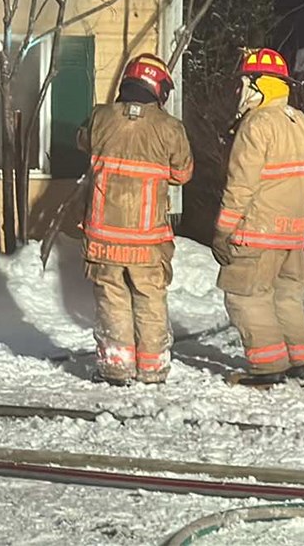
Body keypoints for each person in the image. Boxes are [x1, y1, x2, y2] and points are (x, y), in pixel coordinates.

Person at [76, 53, 194, 386]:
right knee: (149, 299)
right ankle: (153, 368)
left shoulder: (100, 118)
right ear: (160, 89)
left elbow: (82, 141)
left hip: (103, 236)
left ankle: (116, 367)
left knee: (112, 298)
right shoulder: (170, 129)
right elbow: (183, 174)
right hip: (148, 239)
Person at [212, 48, 304, 388]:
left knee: (245, 296)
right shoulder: (303, 122)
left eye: (245, 82)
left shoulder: (256, 124)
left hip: (256, 232)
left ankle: (268, 366)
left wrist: (223, 231)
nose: (241, 90)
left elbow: (240, 185)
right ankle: (297, 359)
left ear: (260, 86)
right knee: (285, 296)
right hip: (293, 235)